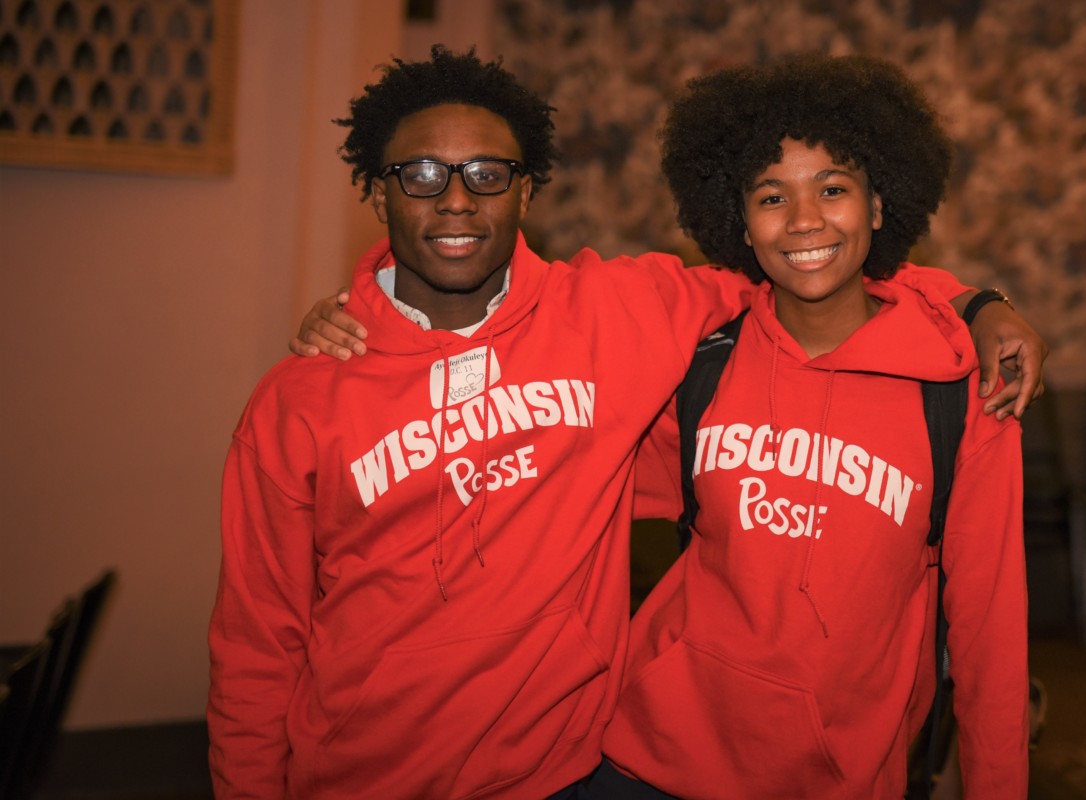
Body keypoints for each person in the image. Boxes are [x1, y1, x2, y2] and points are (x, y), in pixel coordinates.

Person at [224, 47, 1043, 799]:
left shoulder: (621, 312)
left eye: (485, 172)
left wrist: (973, 302)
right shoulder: (303, 396)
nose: (458, 198)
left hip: (562, 769)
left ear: (526, 188)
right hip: (392, 777)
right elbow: (255, 650)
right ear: (376, 191)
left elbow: (815, 267)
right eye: (423, 175)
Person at [588, 55, 1029, 799]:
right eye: (771, 196)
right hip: (650, 762)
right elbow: (558, 500)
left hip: (842, 777)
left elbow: (990, 635)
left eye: (832, 189)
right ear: (740, 222)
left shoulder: (959, 395)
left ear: (879, 205)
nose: (803, 221)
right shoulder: (701, 370)